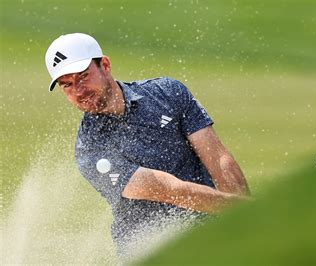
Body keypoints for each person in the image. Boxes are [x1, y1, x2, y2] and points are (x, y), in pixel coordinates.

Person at [44, 33, 250, 256]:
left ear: (105, 65)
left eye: (83, 77)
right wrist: (242, 211)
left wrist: (250, 225)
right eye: (67, 85)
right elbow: (170, 190)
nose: (78, 91)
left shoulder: (168, 93)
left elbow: (218, 158)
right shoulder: (91, 150)